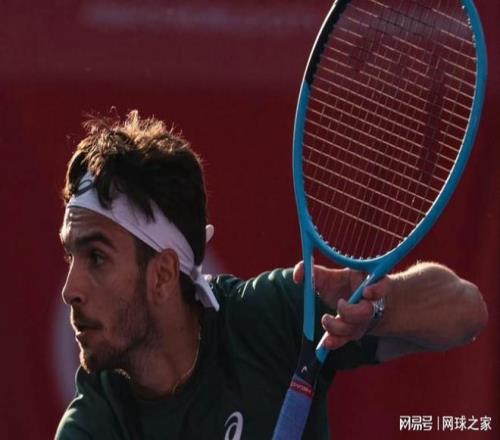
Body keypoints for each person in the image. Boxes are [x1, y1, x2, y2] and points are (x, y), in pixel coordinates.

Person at [55, 111, 488, 440]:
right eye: (71, 255)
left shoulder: (269, 318)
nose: (70, 289)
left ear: (163, 275)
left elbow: (466, 310)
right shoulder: (96, 419)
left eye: (97, 258)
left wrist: (376, 310)